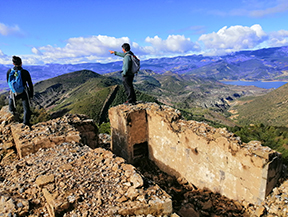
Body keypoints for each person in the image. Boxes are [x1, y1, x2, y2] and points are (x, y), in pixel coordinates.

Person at [6, 56, 33, 127]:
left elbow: (8, 82)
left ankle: (12, 118)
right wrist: (31, 94)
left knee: (11, 107)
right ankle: (25, 123)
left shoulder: (9, 71)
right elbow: (30, 84)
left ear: (13, 63)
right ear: (21, 63)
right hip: (23, 92)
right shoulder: (25, 72)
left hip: (13, 92)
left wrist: (12, 90)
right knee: (26, 109)